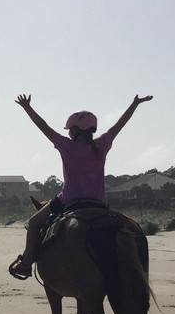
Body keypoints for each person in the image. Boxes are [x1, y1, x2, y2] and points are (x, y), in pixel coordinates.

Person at [8, 94, 153, 280]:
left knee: (34, 223)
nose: (69, 133)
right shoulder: (103, 144)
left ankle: (26, 264)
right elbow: (119, 125)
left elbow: (43, 126)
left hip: (68, 200)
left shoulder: (66, 145)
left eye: (70, 129)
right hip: (99, 203)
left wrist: (27, 107)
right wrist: (135, 104)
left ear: (76, 130)